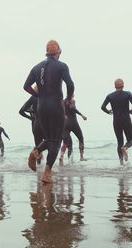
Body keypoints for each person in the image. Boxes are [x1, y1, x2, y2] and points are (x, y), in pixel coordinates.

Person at [23, 40, 75, 183]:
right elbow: (70, 84)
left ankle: (36, 151)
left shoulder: (36, 67)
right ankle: (46, 173)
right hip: (56, 105)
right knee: (56, 141)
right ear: (58, 51)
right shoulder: (62, 66)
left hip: (42, 106)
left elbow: (26, 86)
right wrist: (68, 99)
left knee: (49, 139)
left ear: (47, 52)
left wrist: (39, 95)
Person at [101, 78, 132, 165]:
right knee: (131, 139)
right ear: (123, 85)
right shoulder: (128, 94)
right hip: (126, 120)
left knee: (119, 141)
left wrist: (109, 112)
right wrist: (131, 111)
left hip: (116, 121)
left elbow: (102, 107)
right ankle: (125, 147)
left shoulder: (110, 96)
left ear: (115, 86)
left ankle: (121, 163)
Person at [60, 97, 87, 162]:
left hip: (65, 123)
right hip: (73, 122)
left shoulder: (63, 101)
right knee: (81, 138)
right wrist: (81, 115)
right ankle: (81, 157)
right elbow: (72, 108)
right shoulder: (72, 100)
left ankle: (61, 156)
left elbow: (60, 111)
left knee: (65, 142)